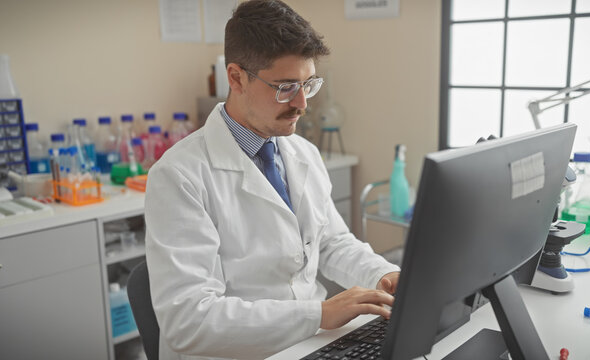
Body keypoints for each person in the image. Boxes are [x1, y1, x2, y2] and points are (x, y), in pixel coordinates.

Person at [144, 1, 400, 359]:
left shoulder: (302, 153)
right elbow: (189, 320)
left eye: (308, 84)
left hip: (309, 343)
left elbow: (330, 243)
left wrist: (384, 275)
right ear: (236, 78)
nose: (302, 103)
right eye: (285, 87)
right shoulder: (179, 176)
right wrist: (319, 313)